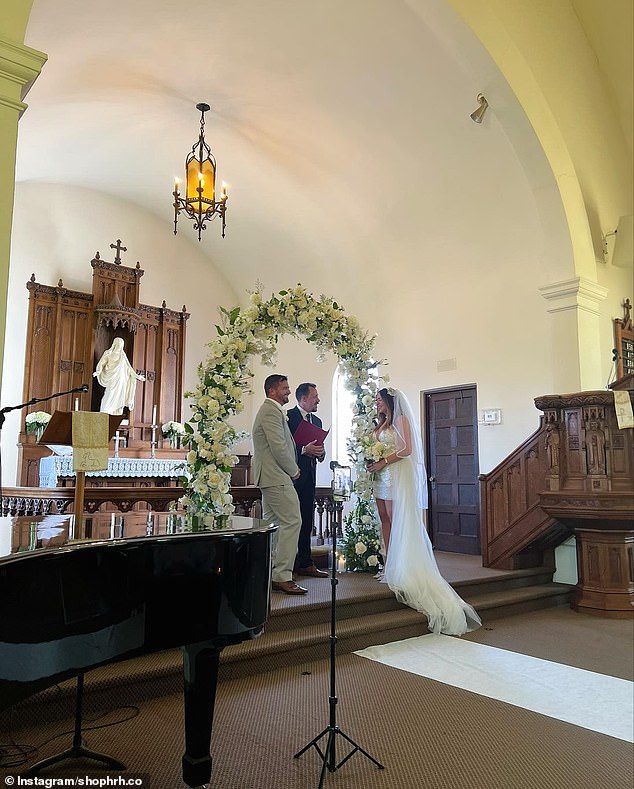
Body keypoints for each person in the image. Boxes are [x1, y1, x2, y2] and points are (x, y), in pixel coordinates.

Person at [366, 387, 481, 635]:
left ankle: (400, 566)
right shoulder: (381, 422)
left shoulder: (401, 419)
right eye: (375, 399)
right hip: (380, 476)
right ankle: (388, 564)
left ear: (389, 401)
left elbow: (406, 449)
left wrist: (383, 461)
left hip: (394, 474)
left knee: (397, 521)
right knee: (384, 519)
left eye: (379, 399)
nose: (377, 403)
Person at [252, 374, 306, 595]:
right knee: (293, 521)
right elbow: (278, 447)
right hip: (277, 477)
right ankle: (283, 575)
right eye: (284, 388)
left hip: (270, 477)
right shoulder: (270, 411)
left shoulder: (271, 411)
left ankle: (273, 572)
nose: (289, 391)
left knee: (274, 524)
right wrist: (293, 470)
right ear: (272, 390)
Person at [287, 383, 328, 578]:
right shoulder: (288, 418)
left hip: (310, 477)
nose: (318, 400)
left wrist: (320, 452)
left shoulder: (317, 421)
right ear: (303, 399)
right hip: (290, 478)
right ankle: (287, 564)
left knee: (306, 520)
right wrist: (303, 450)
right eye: (315, 397)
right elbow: (280, 449)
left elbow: (319, 448)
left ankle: (305, 562)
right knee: (289, 522)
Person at [93, 337, 145, 415]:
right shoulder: (108, 353)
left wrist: (137, 376)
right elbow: (102, 363)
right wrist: (98, 372)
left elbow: (129, 368)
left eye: (121, 344)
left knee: (119, 397)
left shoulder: (122, 355)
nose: (120, 345)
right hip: (111, 378)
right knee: (109, 394)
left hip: (121, 380)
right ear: (115, 344)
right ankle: (104, 412)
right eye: (119, 343)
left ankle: (116, 413)